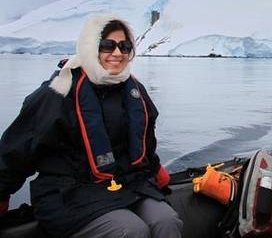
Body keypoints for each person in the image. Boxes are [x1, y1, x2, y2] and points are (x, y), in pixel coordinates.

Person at [0, 15, 183, 238]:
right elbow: (16, 150)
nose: (117, 53)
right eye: (108, 45)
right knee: (130, 231)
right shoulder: (59, 92)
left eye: (125, 46)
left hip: (124, 184)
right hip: (68, 194)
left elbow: (145, 143)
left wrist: (155, 171)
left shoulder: (134, 91)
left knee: (167, 220)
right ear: (90, 46)